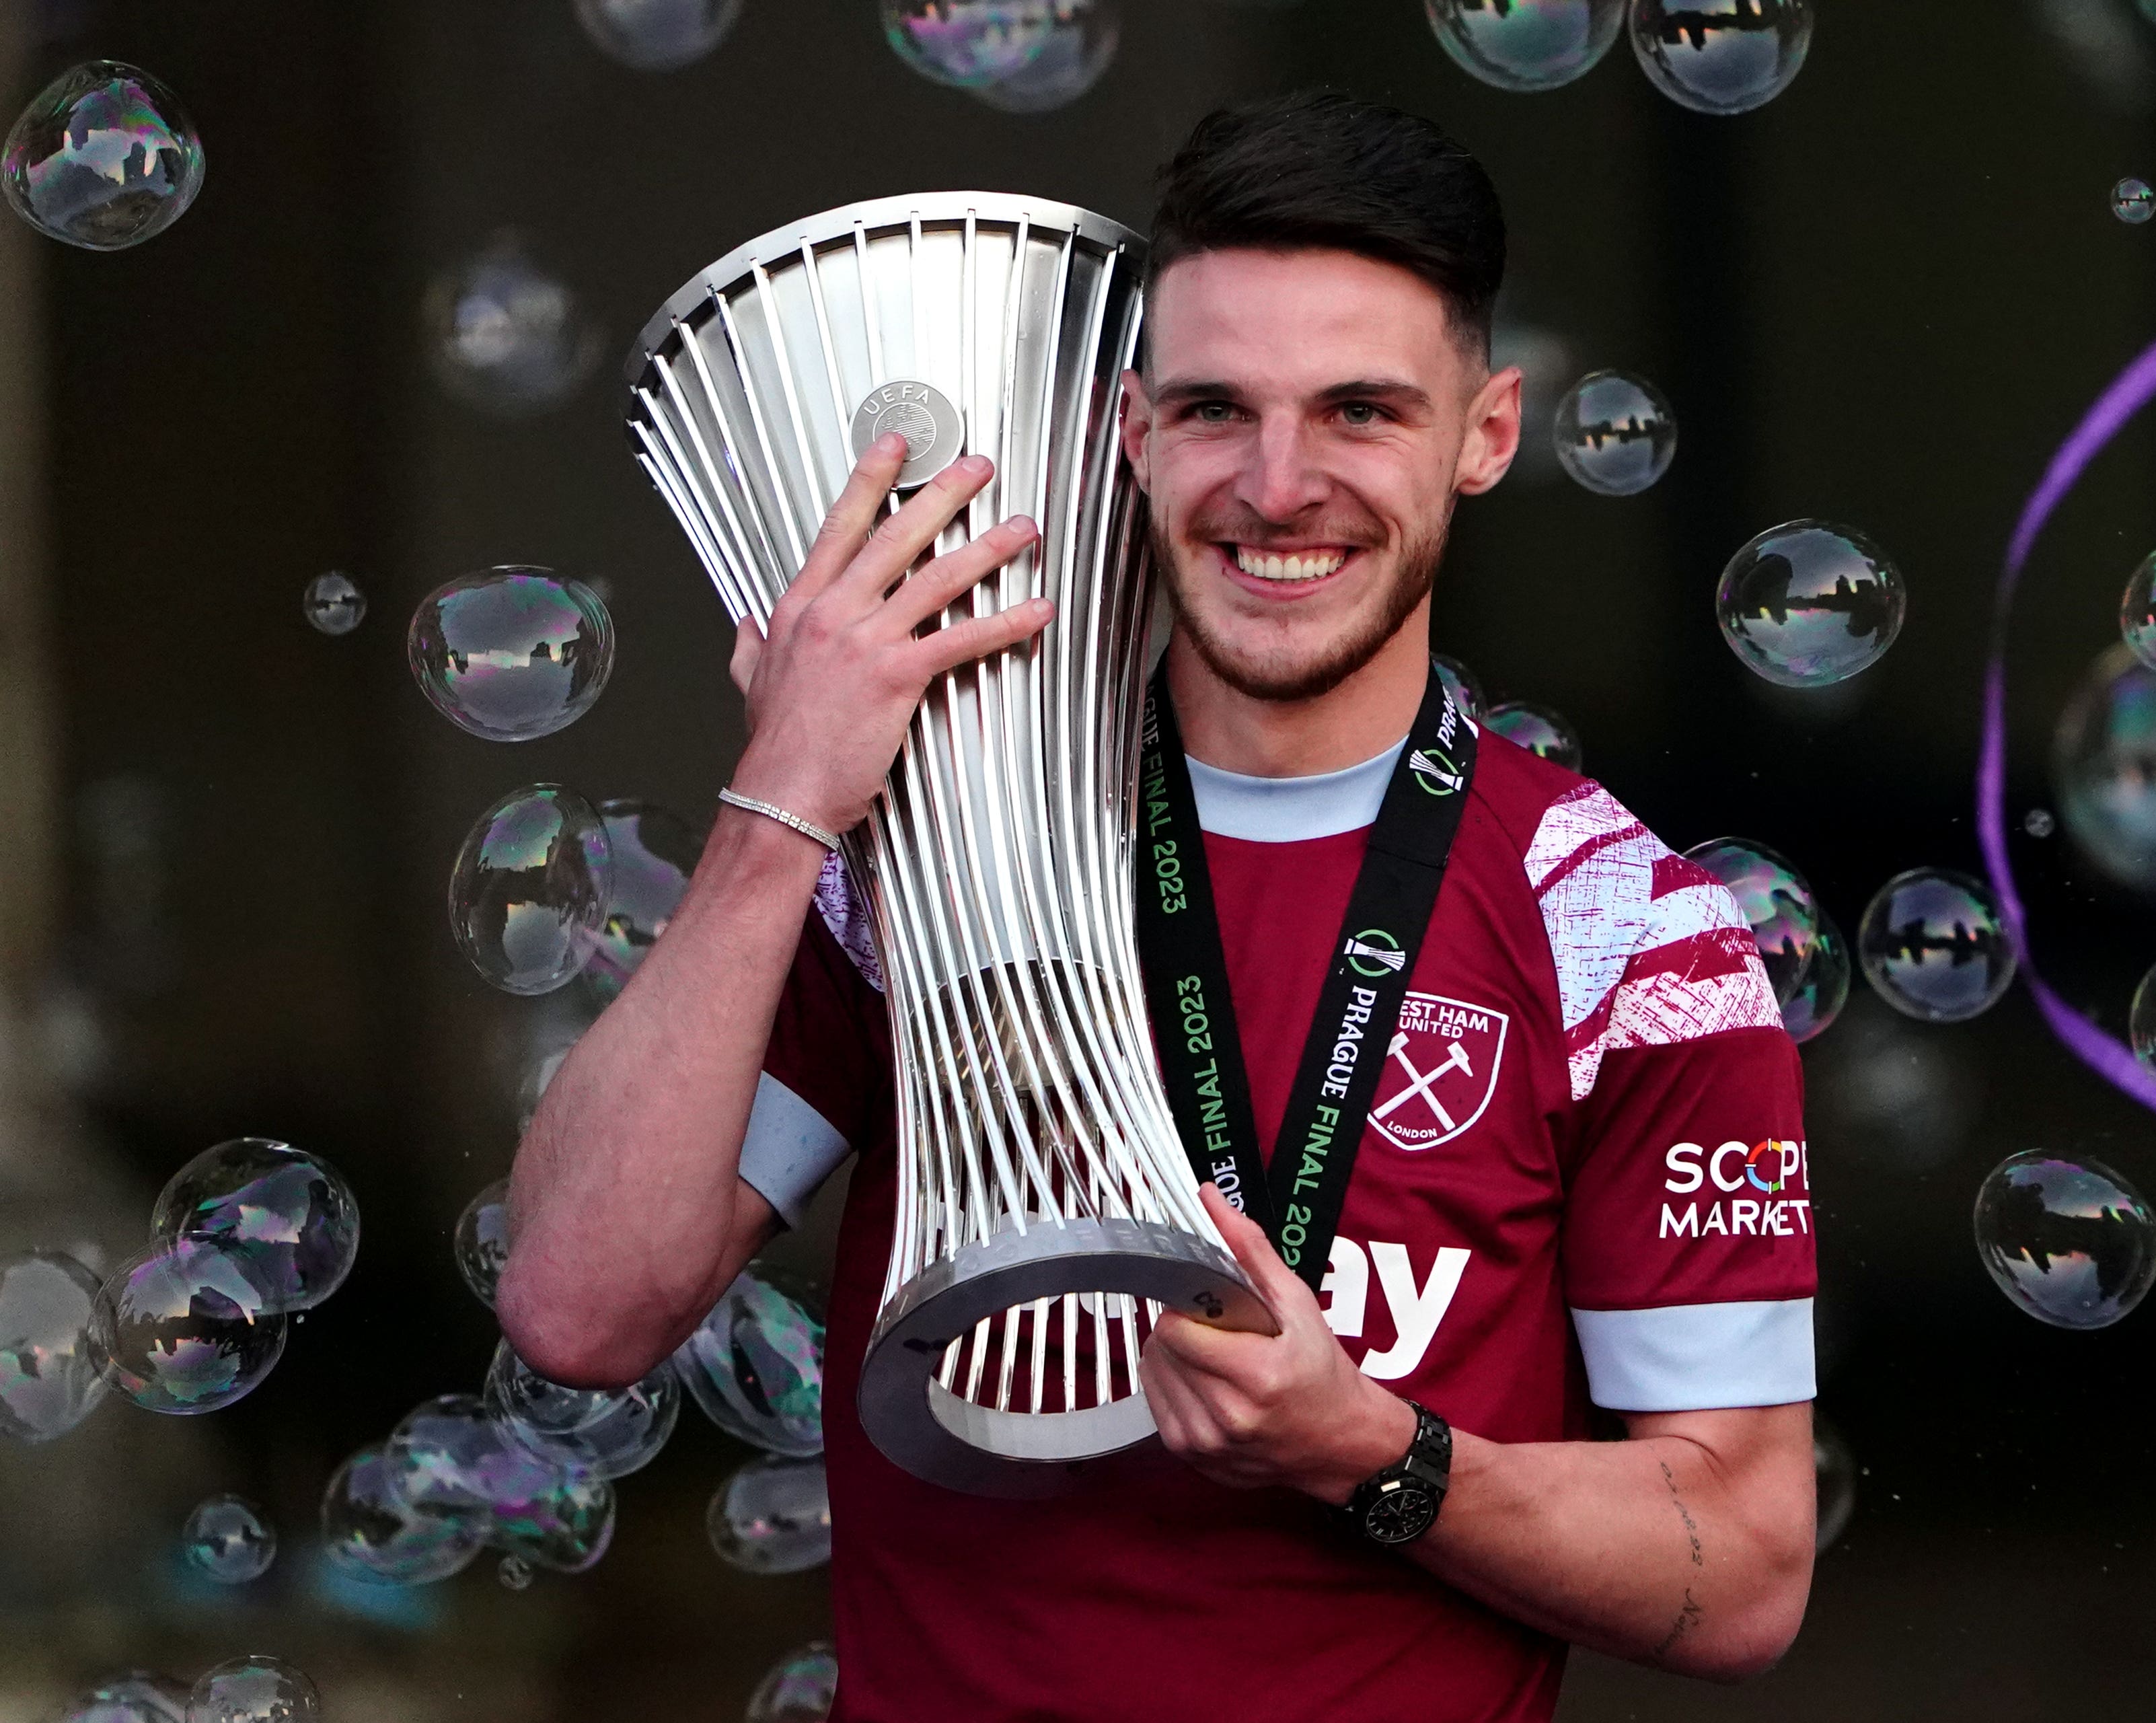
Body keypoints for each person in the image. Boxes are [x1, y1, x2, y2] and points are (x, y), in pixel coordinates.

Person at [502, 89, 1817, 1723]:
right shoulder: (936, 842)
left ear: (1484, 433)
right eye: (1215, 410)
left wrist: (1367, 1452)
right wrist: (788, 800)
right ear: (1129, 427)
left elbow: (1745, 1565)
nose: (1278, 486)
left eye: (1359, 412)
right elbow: (576, 1309)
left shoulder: (1626, 938)